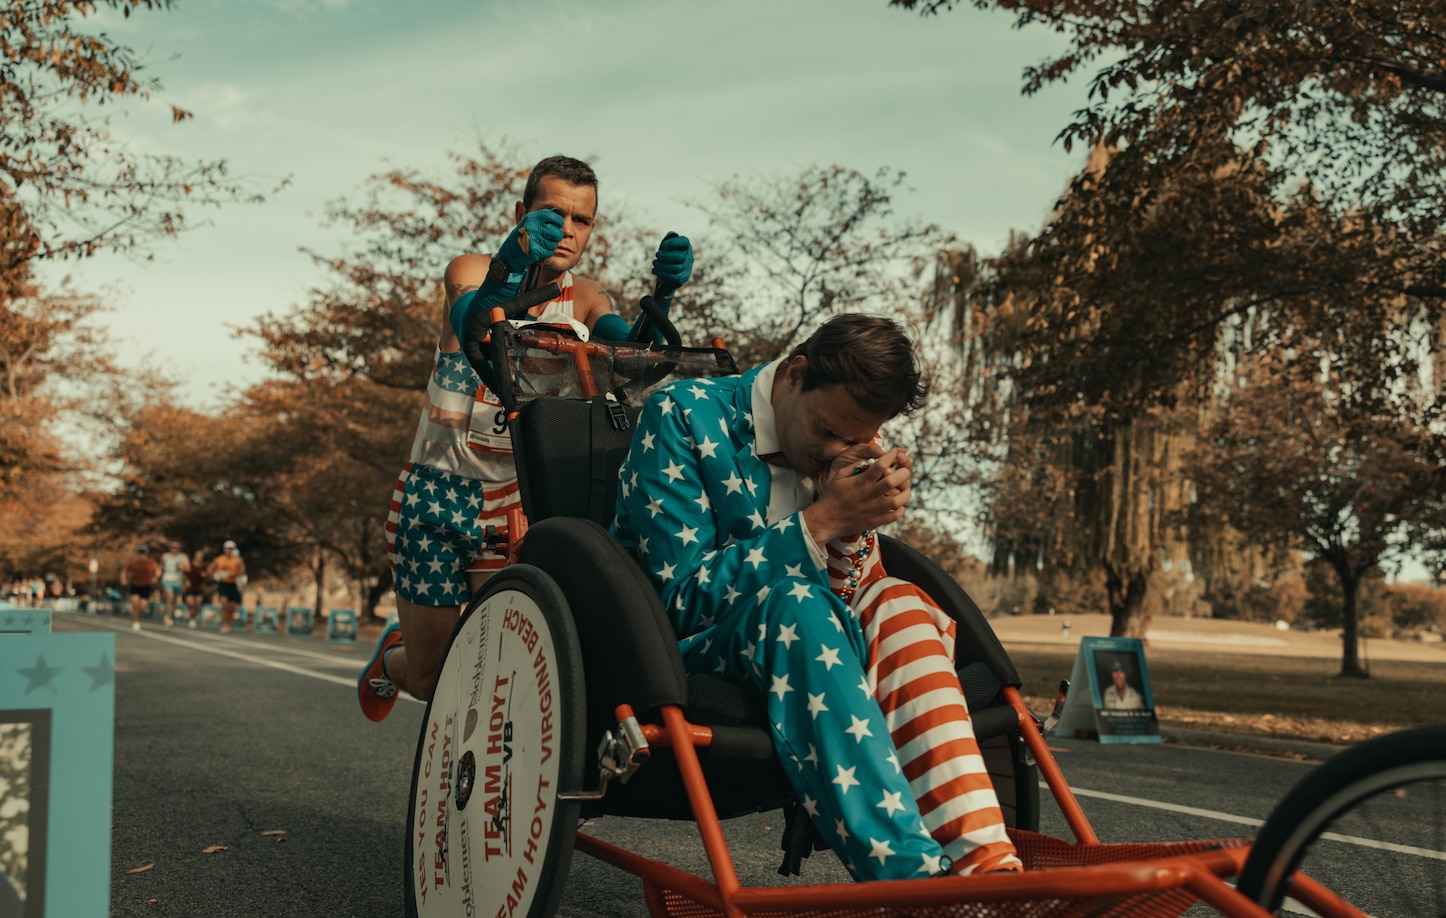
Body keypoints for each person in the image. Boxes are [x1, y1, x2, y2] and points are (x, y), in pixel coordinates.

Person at [612, 314, 1022, 880]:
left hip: (812, 652)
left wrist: (856, 525)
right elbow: (675, 601)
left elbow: (854, 597)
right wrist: (823, 520)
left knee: (899, 599)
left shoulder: (845, 450)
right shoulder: (682, 414)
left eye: (858, 438)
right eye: (827, 432)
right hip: (688, 650)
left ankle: (986, 865)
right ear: (795, 374)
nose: (837, 450)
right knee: (797, 604)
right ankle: (910, 879)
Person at [358, 154, 696, 721]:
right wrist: (512, 261)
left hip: (516, 503)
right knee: (430, 679)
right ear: (520, 213)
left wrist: (661, 297)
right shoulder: (469, 268)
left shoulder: (586, 300)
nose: (566, 229)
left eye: (582, 220)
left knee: (491, 671)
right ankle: (392, 658)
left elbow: (629, 357)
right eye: (552, 213)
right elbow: (475, 320)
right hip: (437, 494)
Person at [120, 545, 160, 631]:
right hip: (135, 586)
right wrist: (123, 579)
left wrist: (155, 577)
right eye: (140, 553)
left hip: (146, 586)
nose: (142, 555)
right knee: (135, 604)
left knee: (143, 606)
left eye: (143, 553)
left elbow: (157, 571)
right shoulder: (133, 562)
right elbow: (124, 571)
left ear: (146, 554)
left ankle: (139, 611)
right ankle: (135, 622)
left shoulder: (151, 562)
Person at [210, 541, 247, 634]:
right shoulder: (219, 559)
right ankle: (224, 624)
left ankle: (226, 621)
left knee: (233, 606)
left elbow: (243, 570)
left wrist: (234, 574)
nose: (229, 551)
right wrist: (215, 575)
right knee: (224, 603)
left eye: (231, 549)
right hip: (223, 584)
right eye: (227, 548)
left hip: (233, 584)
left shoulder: (237, 559)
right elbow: (210, 569)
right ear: (224, 549)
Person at [158, 541, 189, 628]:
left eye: (176, 548)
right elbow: (160, 567)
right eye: (173, 547)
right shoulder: (165, 556)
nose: (174, 549)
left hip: (178, 582)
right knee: (170, 597)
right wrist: (157, 575)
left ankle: (170, 616)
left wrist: (182, 567)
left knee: (174, 600)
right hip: (167, 580)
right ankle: (168, 617)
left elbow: (188, 568)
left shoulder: (183, 557)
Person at [183, 549, 210, 629]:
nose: (199, 557)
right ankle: (190, 613)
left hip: (199, 587)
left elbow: (208, 577)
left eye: (201, 556)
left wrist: (205, 576)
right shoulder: (190, 565)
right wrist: (186, 581)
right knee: (191, 604)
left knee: (198, 604)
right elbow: (184, 574)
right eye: (198, 555)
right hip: (190, 587)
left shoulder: (204, 567)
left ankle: (192, 619)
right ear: (195, 556)